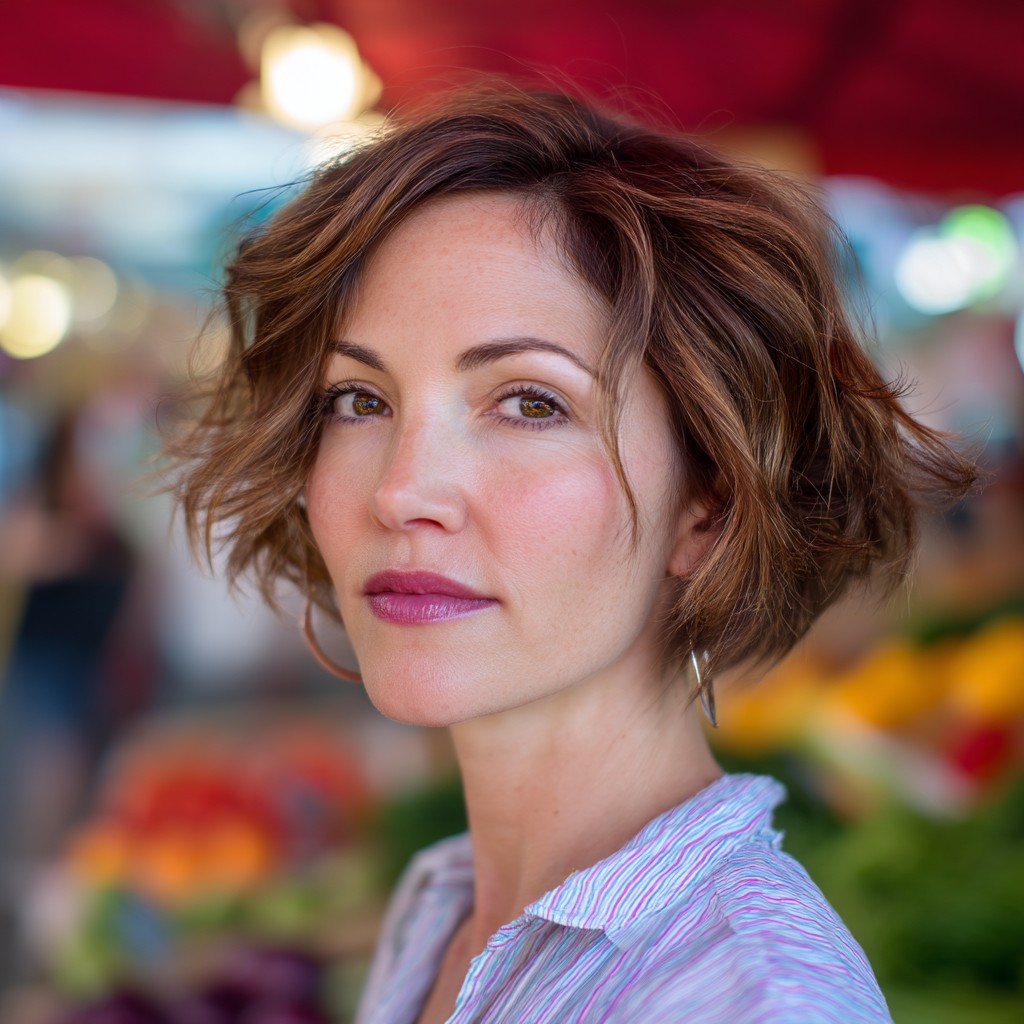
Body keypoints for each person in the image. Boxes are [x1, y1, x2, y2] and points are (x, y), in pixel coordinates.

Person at [171, 87, 975, 1023]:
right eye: (359, 400)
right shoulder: (441, 903)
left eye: (530, 403)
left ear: (710, 504)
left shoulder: (751, 1003)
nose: (401, 490)